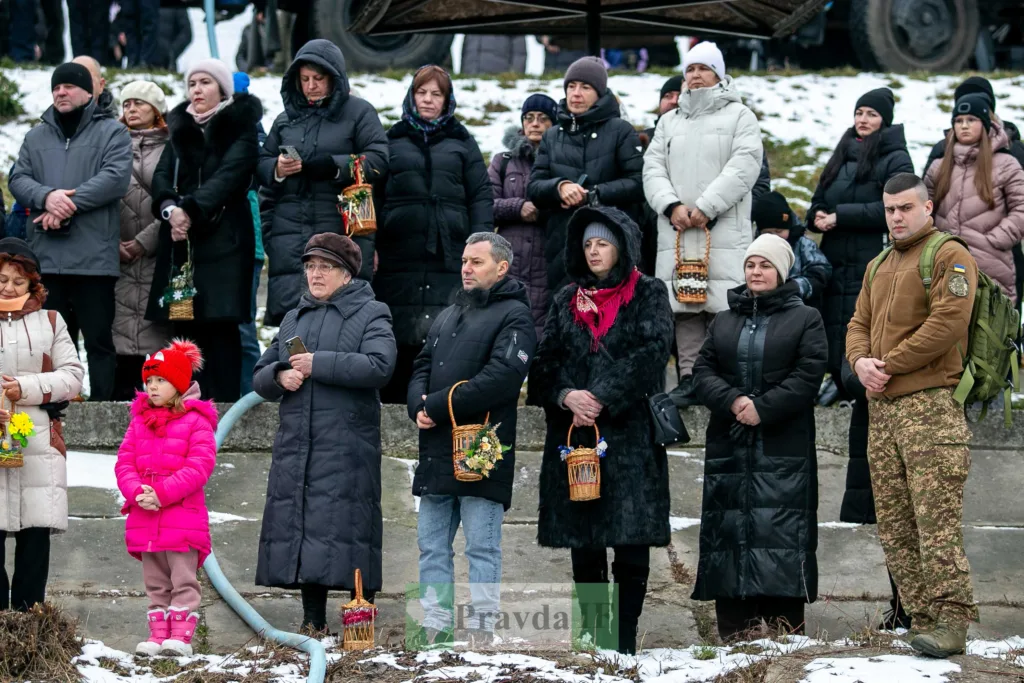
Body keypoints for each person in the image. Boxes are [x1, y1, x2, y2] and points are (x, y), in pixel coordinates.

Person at [846, 172, 979, 658]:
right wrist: (860, 361)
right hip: (883, 410)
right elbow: (857, 323)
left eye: (905, 208)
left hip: (930, 407)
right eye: (889, 209)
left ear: (927, 208)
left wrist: (887, 365)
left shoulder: (949, 254)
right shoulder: (879, 262)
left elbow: (948, 322)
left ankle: (952, 620)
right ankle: (923, 620)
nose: (896, 217)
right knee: (896, 524)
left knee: (935, 523)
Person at [531, 206, 673, 654]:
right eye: (588, 244)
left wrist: (601, 395)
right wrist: (566, 396)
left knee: (631, 539)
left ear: (623, 247)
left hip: (629, 435)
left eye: (603, 243)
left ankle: (625, 637)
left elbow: (652, 353)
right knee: (584, 539)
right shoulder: (564, 297)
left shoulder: (648, 292)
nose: (593, 251)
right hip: (576, 437)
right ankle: (594, 633)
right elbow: (544, 363)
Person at [253, 233, 396, 633]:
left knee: (354, 532)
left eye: (326, 267)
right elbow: (260, 375)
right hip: (298, 445)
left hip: (348, 446)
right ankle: (312, 624)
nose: (315, 274)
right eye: (310, 266)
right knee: (305, 531)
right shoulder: (293, 317)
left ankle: (359, 629)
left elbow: (380, 365)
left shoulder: (373, 312)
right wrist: (280, 375)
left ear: (347, 274)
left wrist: (320, 364)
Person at [692, 233, 827, 641]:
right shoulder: (724, 319)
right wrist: (734, 401)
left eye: (765, 264)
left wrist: (762, 408)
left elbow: (809, 375)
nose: (756, 271)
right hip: (729, 448)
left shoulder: (806, 318)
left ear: (782, 271)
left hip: (783, 451)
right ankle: (736, 638)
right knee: (729, 535)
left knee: (782, 536)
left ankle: (786, 640)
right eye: (751, 264)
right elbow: (702, 373)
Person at [407, 232, 535, 644]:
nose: (466, 267)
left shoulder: (516, 316)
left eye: (477, 261)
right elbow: (421, 363)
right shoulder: (449, 313)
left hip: (481, 450)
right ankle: (435, 632)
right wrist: (415, 405)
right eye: (464, 260)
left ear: (502, 268)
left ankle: (482, 636)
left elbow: (502, 379)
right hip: (436, 450)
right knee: (432, 549)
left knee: (481, 549)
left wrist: (436, 404)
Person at [642, 41, 763, 409]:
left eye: (703, 69)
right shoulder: (669, 121)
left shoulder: (740, 116)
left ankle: (722, 381)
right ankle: (690, 379)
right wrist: (671, 205)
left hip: (721, 229)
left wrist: (708, 206)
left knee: (722, 308)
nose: (695, 76)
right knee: (685, 310)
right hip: (678, 231)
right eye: (690, 70)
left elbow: (745, 165)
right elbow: (652, 169)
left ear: (719, 74)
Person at [9, 61, 132, 402]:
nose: (60, 92)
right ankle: (54, 406)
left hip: (93, 261)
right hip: (47, 260)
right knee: (49, 343)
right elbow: (19, 179)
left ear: (89, 93)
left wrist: (65, 204)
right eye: (55, 87)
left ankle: (102, 408)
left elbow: (115, 177)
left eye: (68, 86)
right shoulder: (36, 136)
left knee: (98, 342)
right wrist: (47, 197)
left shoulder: (112, 132)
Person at [375, 65, 492, 404]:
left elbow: (480, 194)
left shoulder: (462, 141)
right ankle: (395, 405)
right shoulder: (392, 139)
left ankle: (439, 404)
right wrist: (372, 245)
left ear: (447, 99)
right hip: (398, 252)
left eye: (436, 94)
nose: (427, 100)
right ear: (411, 97)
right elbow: (374, 195)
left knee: (444, 329)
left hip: (450, 252)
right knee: (397, 327)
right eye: (421, 92)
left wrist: (481, 247)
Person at [148, 59, 261, 402]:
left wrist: (188, 210)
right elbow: (162, 178)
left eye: (205, 83)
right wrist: (170, 210)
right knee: (186, 333)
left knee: (223, 331)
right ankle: (187, 410)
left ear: (223, 89)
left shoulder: (241, 127)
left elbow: (230, 177)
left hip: (226, 244)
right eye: (192, 83)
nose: (196, 90)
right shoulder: (179, 128)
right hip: (183, 246)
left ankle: (222, 410)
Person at [259, 39, 388, 326]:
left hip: (342, 234)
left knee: (340, 328)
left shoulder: (359, 112)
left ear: (335, 79)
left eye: (318, 78)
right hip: (290, 241)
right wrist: (278, 168)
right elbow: (262, 166)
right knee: (292, 334)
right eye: (304, 79)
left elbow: (379, 160)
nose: (311, 86)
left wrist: (335, 166)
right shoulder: (284, 120)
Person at [806, 87, 914, 400]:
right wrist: (818, 216)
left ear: (885, 120)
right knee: (832, 320)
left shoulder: (896, 157)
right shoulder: (843, 149)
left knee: (860, 322)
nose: (862, 120)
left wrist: (841, 216)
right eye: (859, 113)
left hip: (871, 256)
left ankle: (856, 381)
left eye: (871, 114)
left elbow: (897, 207)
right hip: (834, 255)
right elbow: (820, 196)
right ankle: (838, 381)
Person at [114, 339, 215, 657]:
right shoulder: (139, 422)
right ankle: (157, 635)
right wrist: (136, 492)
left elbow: (199, 466)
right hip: (145, 518)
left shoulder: (196, 422)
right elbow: (125, 462)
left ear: (180, 384)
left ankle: (181, 637)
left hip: (181, 518)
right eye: (149, 381)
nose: (153, 387)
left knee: (183, 580)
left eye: (161, 380)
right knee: (156, 581)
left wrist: (161, 493)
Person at [0, 238, 85, 611]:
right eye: (2, 279)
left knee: (35, 536)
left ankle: (29, 622)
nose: (8, 288)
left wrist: (26, 388)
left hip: (36, 438)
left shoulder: (52, 321)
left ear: (33, 284)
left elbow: (73, 377)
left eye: (18, 281)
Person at [527, 55, 644, 293]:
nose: (576, 93)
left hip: (612, 243)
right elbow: (534, 186)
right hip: (563, 245)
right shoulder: (552, 135)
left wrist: (594, 195)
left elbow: (638, 183)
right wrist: (559, 187)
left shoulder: (621, 131)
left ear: (600, 93)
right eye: (571, 86)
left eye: (585, 87)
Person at [925, 76, 1024, 306]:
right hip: (944, 264)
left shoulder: (1007, 162)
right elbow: (924, 208)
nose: (965, 125)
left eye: (971, 119)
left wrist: (995, 240)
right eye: (958, 120)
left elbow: (1021, 208)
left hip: (993, 266)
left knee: (991, 335)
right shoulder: (939, 164)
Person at [113, 80, 171, 401]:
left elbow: (175, 200)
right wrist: (115, 244)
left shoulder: (171, 146)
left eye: (139, 103)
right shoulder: (112, 144)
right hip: (117, 254)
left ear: (157, 110)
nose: (131, 109)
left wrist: (142, 242)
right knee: (119, 329)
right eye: (126, 104)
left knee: (155, 335)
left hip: (155, 253)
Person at [490, 93, 558, 340]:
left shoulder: (560, 160)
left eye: (543, 118)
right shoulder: (503, 161)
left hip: (546, 259)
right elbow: (488, 204)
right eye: (529, 118)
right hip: (510, 262)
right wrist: (518, 207)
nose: (535, 124)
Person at [234, 71, 266, 399]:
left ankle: (250, 397)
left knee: (243, 329)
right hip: (215, 246)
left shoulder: (254, 137)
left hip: (246, 245)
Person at [752, 191, 832, 308]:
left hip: (800, 307)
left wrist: (796, 287)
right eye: (768, 232)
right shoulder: (756, 248)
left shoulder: (803, 245)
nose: (775, 236)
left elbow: (821, 272)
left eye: (779, 231)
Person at [72, 55, 119, 122]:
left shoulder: (118, 129)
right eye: (73, 80)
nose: (80, 86)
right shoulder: (53, 125)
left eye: (87, 79)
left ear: (101, 85)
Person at [460, 34, 527, 75]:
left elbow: (519, 53)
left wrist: (515, 77)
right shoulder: (472, 15)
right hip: (470, 76)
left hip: (499, 80)